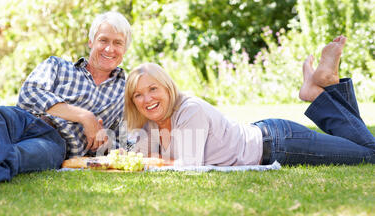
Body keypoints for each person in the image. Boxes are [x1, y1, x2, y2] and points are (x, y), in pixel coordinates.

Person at [0, 11, 132, 197]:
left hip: (57, 142)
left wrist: (106, 142)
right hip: (23, 119)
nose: (109, 49)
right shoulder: (57, 65)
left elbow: (123, 142)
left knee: (18, 155)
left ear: (125, 49)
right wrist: (84, 116)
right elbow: (28, 94)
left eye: (117, 43)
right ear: (90, 41)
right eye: (103, 40)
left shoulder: (124, 92)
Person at [124, 36, 375, 167]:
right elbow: (131, 155)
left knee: (370, 155)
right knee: (361, 146)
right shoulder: (150, 124)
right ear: (133, 101)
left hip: (278, 142)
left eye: (153, 89)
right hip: (265, 135)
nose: (147, 99)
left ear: (168, 88)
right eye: (138, 94)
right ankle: (328, 84)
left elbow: (189, 166)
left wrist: (146, 160)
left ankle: (319, 92)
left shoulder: (189, 110)